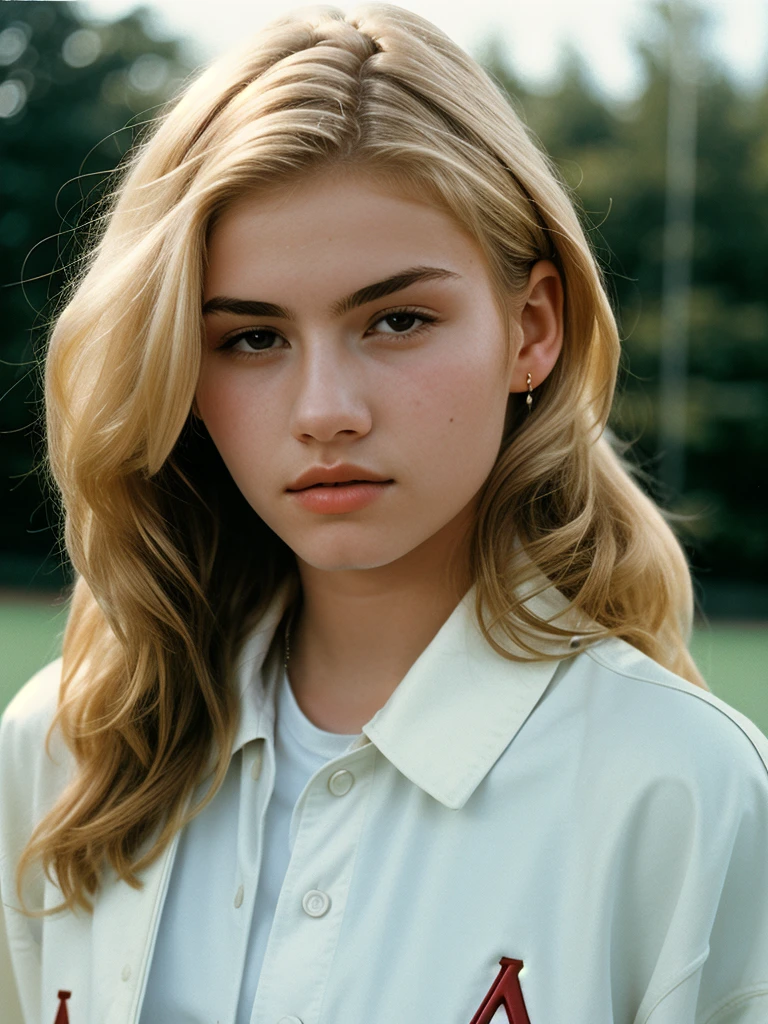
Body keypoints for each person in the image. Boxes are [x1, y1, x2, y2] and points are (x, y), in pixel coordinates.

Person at [1, 4, 767, 1022]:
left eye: (397, 319)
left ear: (532, 328)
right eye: (251, 340)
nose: (325, 411)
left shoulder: (681, 788)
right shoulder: (63, 748)